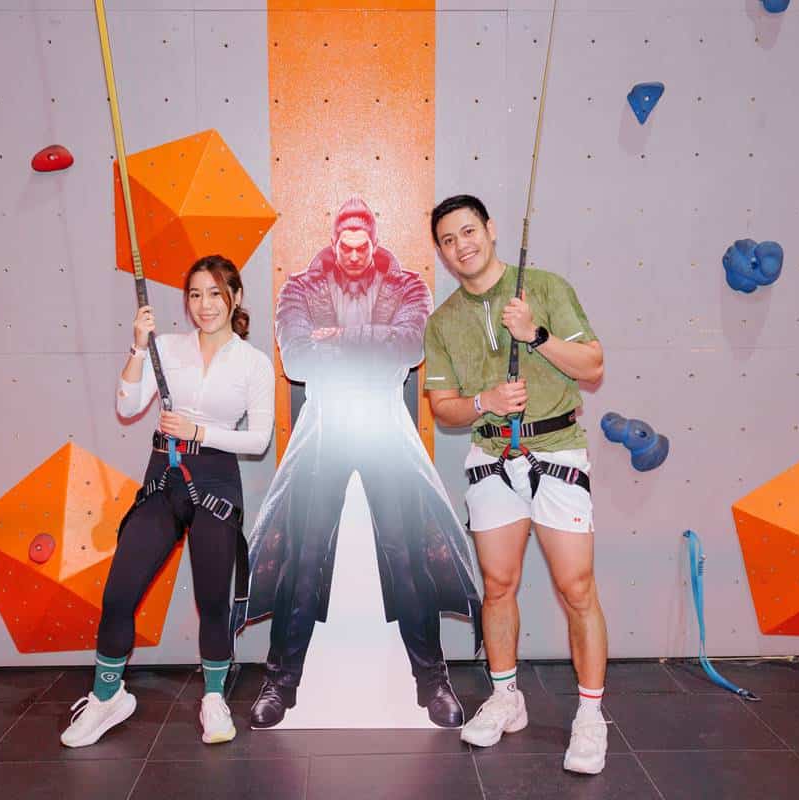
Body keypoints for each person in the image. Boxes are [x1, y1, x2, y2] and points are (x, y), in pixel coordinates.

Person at [237, 197, 481, 729]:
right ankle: (280, 682)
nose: (352, 255)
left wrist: (338, 339)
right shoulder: (300, 288)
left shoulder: (408, 286)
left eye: (361, 246)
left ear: (373, 242)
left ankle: (432, 681)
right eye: (344, 247)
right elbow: (298, 358)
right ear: (333, 242)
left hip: (383, 427)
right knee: (303, 558)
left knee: (407, 557)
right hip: (325, 426)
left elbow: (410, 347)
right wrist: (371, 342)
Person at [424, 194, 609, 774]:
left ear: (491, 229)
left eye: (468, 231)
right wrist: (484, 400)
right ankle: (506, 698)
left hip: (557, 450)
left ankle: (590, 716)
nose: (461, 246)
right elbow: (443, 407)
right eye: (448, 240)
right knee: (498, 585)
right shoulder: (443, 321)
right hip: (491, 457)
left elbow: (593, 365)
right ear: (442, 252)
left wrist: (536, 334)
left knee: (576, 587)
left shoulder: (545, 288)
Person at [60, 255, 274, 748]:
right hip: (164, 478)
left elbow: (258, 439)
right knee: (119, 593)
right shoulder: (167, 349)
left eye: (215, 293)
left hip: (216, 482)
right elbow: (128, 405)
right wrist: (139, 347)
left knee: (212, 600)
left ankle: (214, 698)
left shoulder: (253, 363)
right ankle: (107, 698)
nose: (205, 305)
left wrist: (200, 431)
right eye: (195, 294)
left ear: (236, 297)